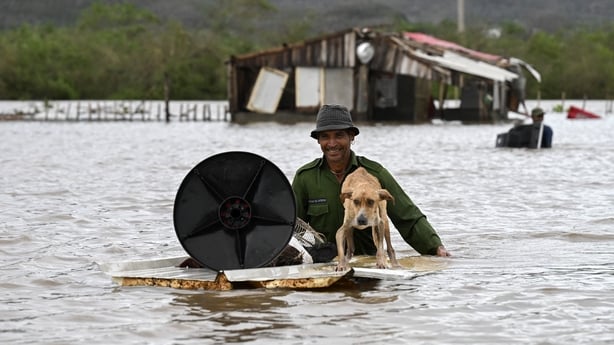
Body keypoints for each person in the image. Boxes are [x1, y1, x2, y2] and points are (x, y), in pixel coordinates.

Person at [292, 104, 450, 258]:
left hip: (369, 264)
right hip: (322, 265)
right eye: (325, 136)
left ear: (351, 137)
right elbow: (292, 225)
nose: (332, 143)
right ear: (318, 140)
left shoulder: (375, 174)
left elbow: (408, 217)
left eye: (339, 135)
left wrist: (435, 247)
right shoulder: (305, 177)